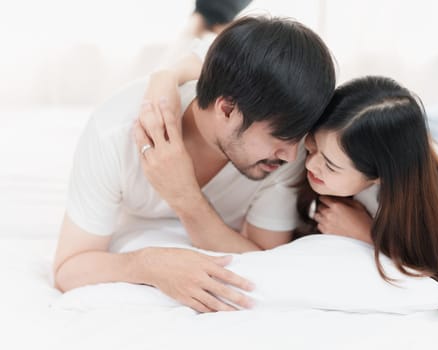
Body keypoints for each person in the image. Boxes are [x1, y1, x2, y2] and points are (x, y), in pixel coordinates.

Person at [53, 16, 336, 313]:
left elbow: (265, 260)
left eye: (298, 139)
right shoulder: (113, 132)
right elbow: (68, 268)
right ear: (227, 109)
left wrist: (186, 197)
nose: (294, 156)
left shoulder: (284, 152)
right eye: (280, 136)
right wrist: (147, 264)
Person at [292, 76, 438, 316]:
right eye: (311, 147)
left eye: (330, 166)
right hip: (423, 130)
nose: (310, 163)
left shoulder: (436, 205)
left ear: (379, 176)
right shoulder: (346, 138)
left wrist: (368, 235)